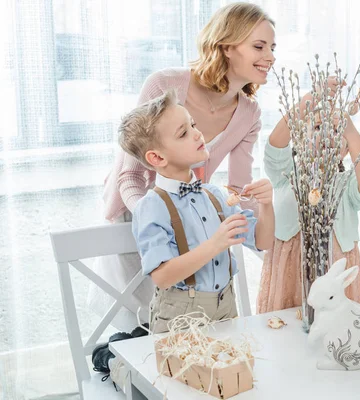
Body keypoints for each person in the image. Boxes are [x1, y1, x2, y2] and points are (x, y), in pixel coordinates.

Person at [88, 2, 276, 330]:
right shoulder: (165, 85)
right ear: (227, 46)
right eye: (259, 46)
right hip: (138, 209)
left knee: (186, 314)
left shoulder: (249, 113)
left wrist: (259, 219)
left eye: (272, 47)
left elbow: (237, 191)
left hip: (191, 208)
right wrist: (161, 211)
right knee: (143, 317)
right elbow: (129, 175)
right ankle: (120, 361)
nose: (270, 56)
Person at [120, 89, 274, 332]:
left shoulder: (214, 195)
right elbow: (163, 276)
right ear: (157, 158)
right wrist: (216, 243)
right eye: (183, 133)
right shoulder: (151, 207)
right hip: (180, 322)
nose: (197, 134)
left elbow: (263, 240)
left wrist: (266, 204)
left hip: (227, 311)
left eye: (192, 124)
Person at [257, 80, 360, 313]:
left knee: (336, 331)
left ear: (346, 150)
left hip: (336, 274)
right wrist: (311, 98)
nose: (325, 136)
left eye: (335, 131)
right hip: (291, 274)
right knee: (289, 331)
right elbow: (274, 145)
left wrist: (351, 132)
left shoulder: (346, 185)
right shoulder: (286, 176)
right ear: (298, 138)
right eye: (316, 128)